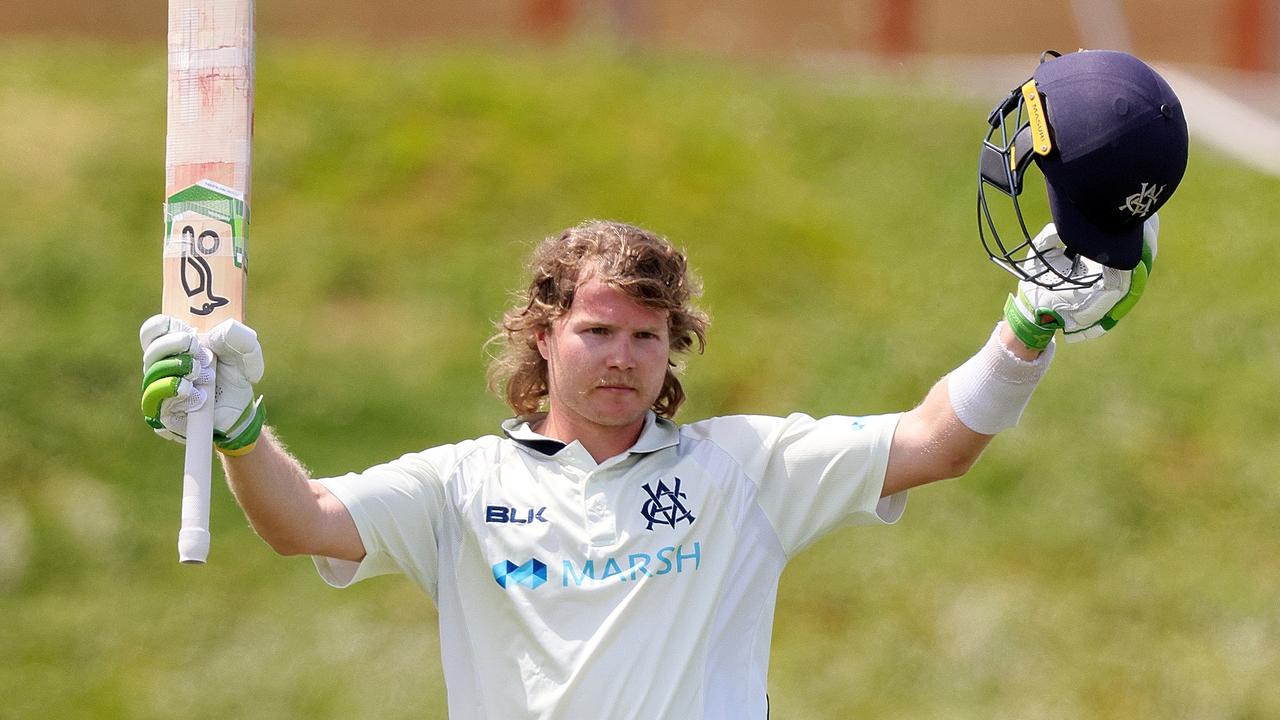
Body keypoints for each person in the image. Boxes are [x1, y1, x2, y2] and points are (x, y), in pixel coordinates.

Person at [139, 50, 1187, 720]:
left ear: (671, 347)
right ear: (541, 337)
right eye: (595, 330)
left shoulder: (743, 470)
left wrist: (1024, 329)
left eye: (646, 335)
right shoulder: (460, 488)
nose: (621, 355)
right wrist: (238, 426)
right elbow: (301, 521)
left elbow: (935, 442)